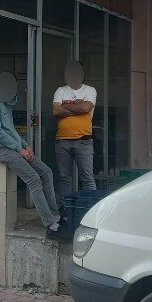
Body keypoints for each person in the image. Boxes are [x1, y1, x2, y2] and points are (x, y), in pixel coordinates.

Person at [0, 72, 67, 240]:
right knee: (33, 178)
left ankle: (54, 214)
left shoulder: (5, 105)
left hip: (15, 148)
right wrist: (19, 149)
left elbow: (11, 130)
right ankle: (50, 224)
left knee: (46, 172)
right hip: (0, 150)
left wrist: (26, 145)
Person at [53, 60, 97, 200]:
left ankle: (89, 211)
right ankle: (66, 212)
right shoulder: (60, 90)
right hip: (62, 141)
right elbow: (55, 111)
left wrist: (65, 107)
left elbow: (86, 108)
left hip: (83, 141)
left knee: (87, 179)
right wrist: (78, 109)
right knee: (64, 178)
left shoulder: (90, 90)